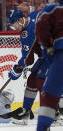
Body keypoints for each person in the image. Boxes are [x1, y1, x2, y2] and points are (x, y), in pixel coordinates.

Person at [7, 5, 49, 125]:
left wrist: (16, 70)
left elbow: (27, 59)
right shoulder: (34, 15)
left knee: (43, 82)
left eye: (13, 24)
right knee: (32, 80)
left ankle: (56, 113)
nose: (13, 28)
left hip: (55, 55)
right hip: (46, 56)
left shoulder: (27, 35)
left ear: (20, 20)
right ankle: (26, 110)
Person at [35, 0, 63, 130]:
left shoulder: (52, 9)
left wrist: (48, 46)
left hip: (61, 54)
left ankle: (43, 127)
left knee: (49, 96)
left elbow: (41, 27)